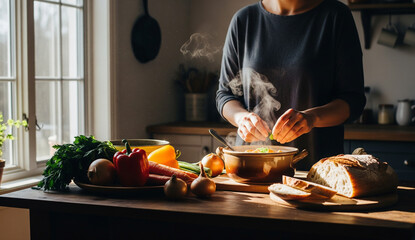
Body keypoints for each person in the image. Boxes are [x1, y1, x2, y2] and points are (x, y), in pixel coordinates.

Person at [216, 0, 366, 169]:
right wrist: (241, 118)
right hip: (251, 168)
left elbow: (353, 100)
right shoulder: (244, 20)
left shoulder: (336, 16)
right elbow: (225, 95)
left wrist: (312, 118)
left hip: (318, 170)